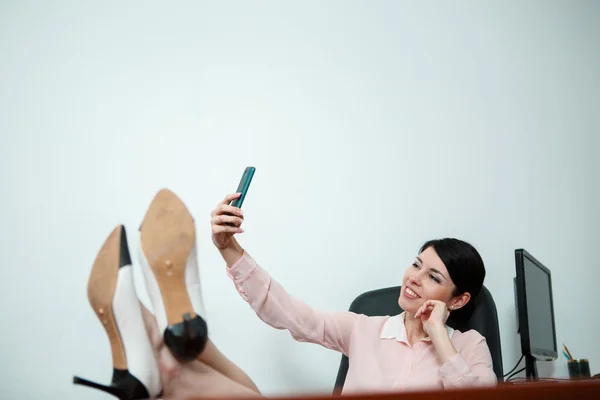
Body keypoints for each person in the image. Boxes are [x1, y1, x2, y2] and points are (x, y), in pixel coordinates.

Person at [209, 192, 497, 394]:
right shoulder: (363, 329)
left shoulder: (470, 346)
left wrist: (438, 336)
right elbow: (290, 314)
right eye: (416, 265)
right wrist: (229, 249)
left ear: (459, 300)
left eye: (433, 277)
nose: (414, 278)